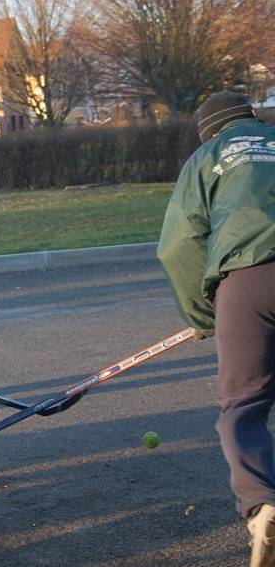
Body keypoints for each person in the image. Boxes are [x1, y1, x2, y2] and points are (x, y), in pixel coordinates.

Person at [157, 91, 275, 567]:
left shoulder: (207, 157)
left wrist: (204, 317)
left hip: (247, 283)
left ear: (208, 130)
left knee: (243, 403)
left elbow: (180, 242)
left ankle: (264, 503)